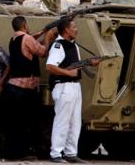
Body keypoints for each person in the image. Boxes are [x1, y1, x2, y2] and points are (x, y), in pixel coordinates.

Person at [46, 18, 98, 163]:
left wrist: (89, 63)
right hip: (64, 86)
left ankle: (71, 153)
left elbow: (75, 64)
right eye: (74, 27)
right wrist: (68, 73)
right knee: (62, 121)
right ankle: (56, 154)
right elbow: (50, 66)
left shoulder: (73, 45)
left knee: (75, 122)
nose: (76, 29)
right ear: (66, 30)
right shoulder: (58, 45)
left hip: (74, 86)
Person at [2, 16, 55, 159]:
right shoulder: (27, 39)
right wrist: (49, 36)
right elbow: (43, 52)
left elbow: (30, 39)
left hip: (13, 87)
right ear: (25, 25)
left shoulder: (14, 39)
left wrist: (43, 31)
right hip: (24, 89)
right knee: (25, 122)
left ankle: (12, 152)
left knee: (15, 121)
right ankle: (22, 153)